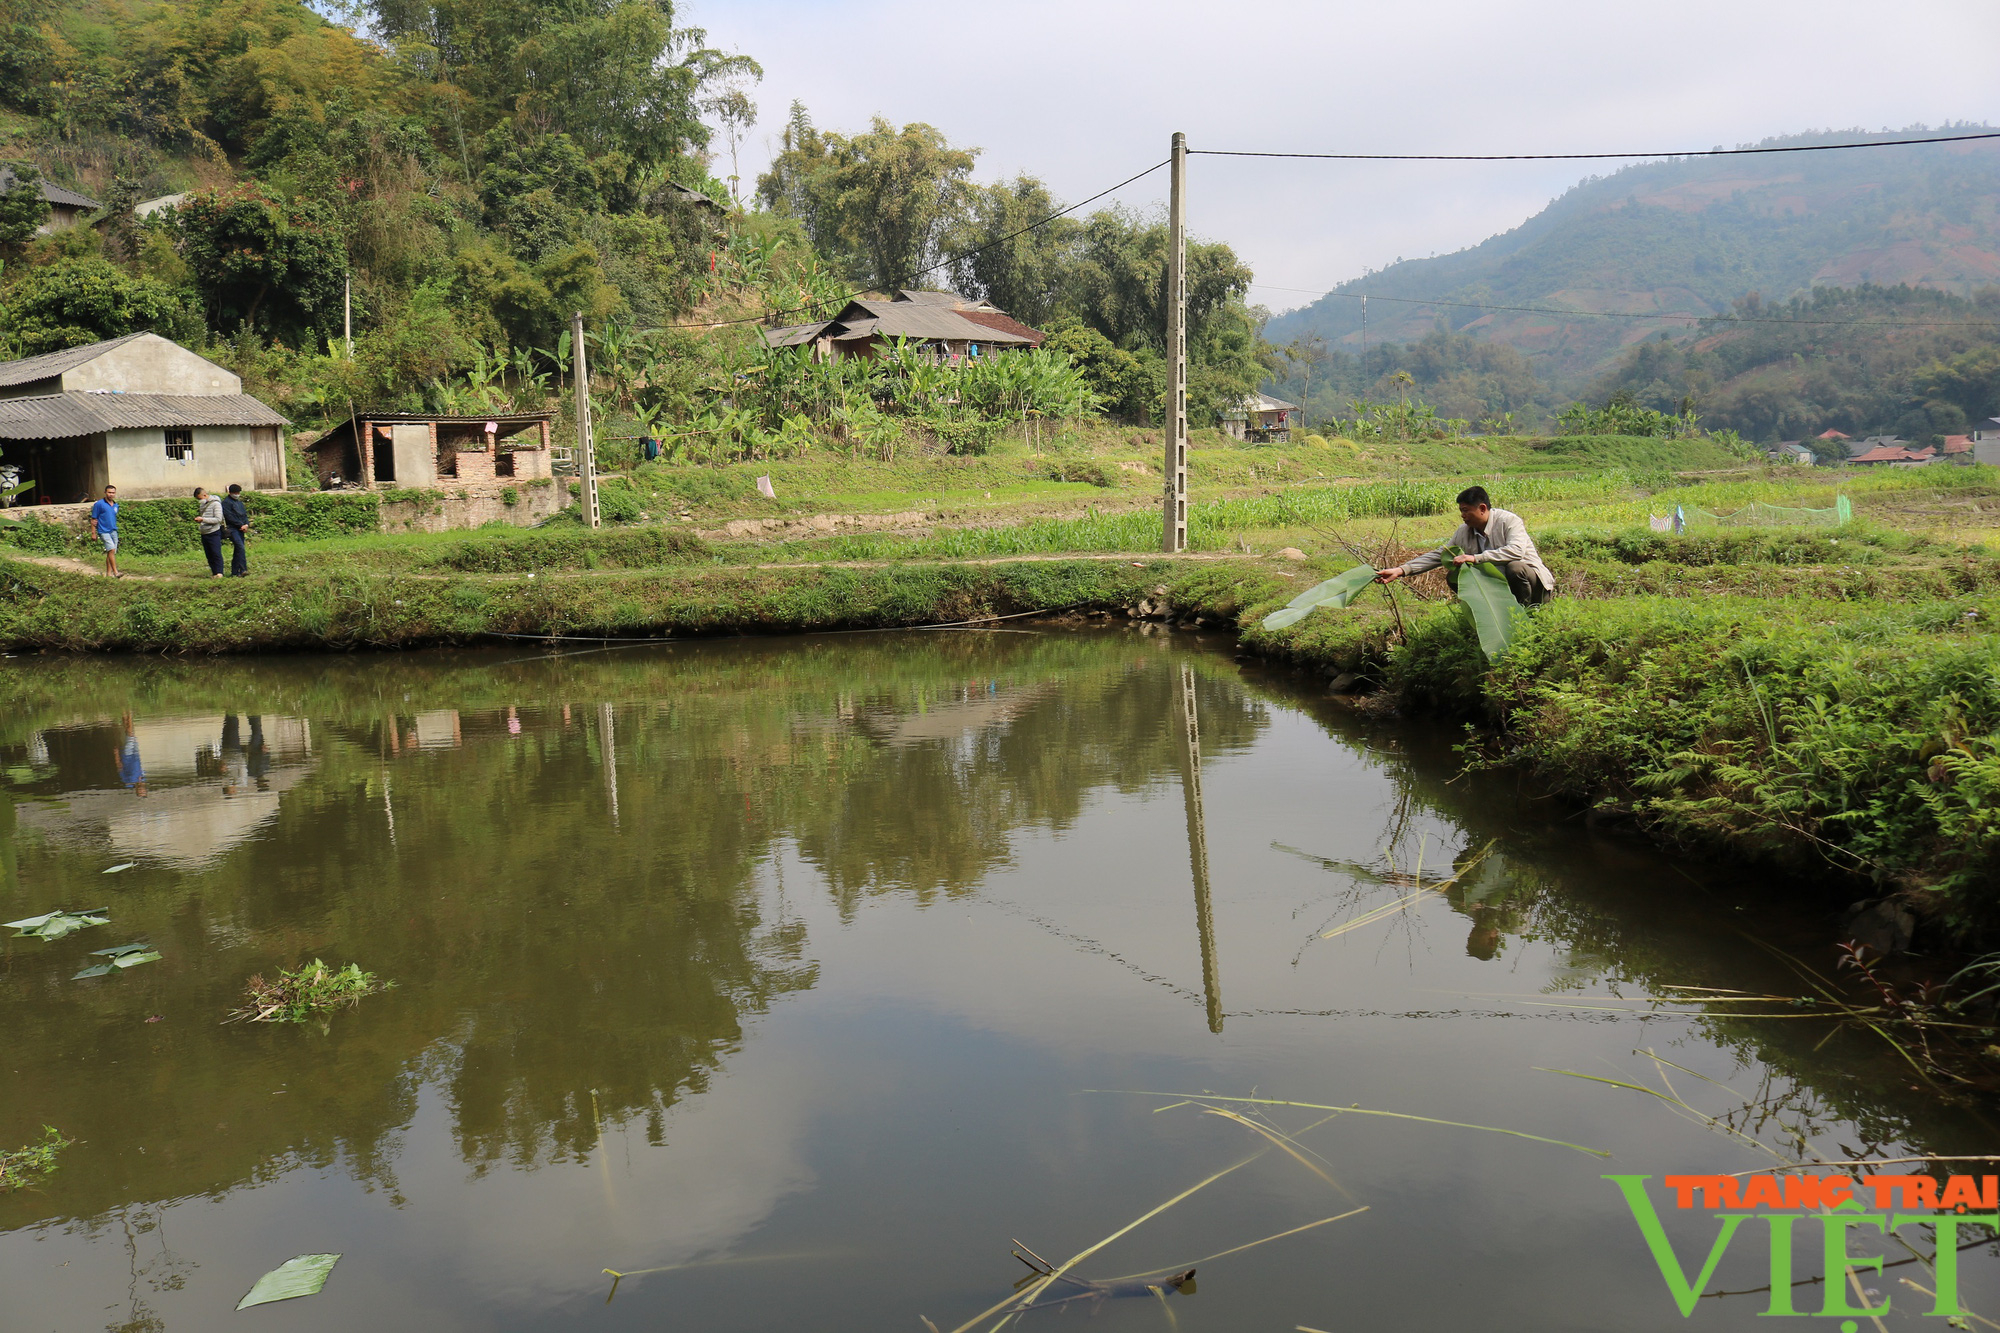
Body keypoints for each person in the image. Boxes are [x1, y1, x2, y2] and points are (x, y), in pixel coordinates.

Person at [1375, 485, 1555, 606]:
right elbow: (1441, 554)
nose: (1462, 515)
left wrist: (1476, 558)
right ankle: (1487, 612)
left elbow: (1516, 551)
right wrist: (1401, 570)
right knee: (1454, 575)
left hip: (1534, 588)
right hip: (1499, 591)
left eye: (1465, 510)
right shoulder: (1464, 531)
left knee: (1516, 568)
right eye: (1461, 511)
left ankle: (1528, 612)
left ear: (1482, 508)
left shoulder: (1509, 521)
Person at [91, 484, 121, 578]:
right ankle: (116, 572)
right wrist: (93, 533)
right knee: (111, 549)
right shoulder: (99, 504)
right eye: (109, 492)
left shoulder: (116, 505)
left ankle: (108, 574)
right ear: (105, 493)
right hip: (103, 531)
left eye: (113, 493)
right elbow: (93, 520)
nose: (111, 494)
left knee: (111, 552)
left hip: (113, 530)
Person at [221, 483, 252, 577]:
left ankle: (235, 572)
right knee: (240, 547)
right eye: (235, 492)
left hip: (241, 528)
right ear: (230, 492)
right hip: (232, 529)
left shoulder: (239, 502)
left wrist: (246, 524)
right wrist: (241, 525)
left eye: (238, 492)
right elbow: (229, 517)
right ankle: (243, 569)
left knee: (238, 549)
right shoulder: (226, 503)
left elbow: (244, 515)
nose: (237, 494)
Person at [194, 487, 225, 577]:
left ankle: (219, 573)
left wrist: (203, 519)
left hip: (214, 531)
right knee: (209, 555)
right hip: (204, 532)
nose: (200, 501)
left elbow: (218, 519)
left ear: (204, 495)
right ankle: (214, 572)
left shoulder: (216, 504)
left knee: (216, 553)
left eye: (200, 498)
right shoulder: (203, 505)